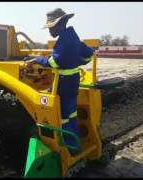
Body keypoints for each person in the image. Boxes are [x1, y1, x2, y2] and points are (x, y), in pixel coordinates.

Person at [27, 8, 94, 155]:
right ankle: (76, 145)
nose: (50, 31)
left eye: (51, 27)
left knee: (63, 118)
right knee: (72, 115)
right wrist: (74, 61)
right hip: (73, 83)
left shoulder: (64, 40)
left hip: (63, 85)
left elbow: (55, 62)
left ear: (61, 24)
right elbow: (89, 55)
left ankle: (69, 150)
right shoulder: (72, 36)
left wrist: (37, 60)